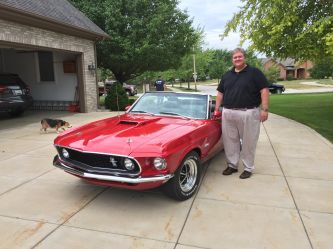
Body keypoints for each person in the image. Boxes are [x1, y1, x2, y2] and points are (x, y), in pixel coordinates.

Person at [214, 48, 269, 179]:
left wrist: (265, 109)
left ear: (244, 58)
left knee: (249, 141)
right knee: (229, 141)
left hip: (248, 112)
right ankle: (232, 165)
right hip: (228, 112)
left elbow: (264, 90)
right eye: (235, 57)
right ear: (232, 60)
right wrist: (217, 109)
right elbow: (220, 93)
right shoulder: (227, 75)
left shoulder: (254, 73)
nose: (237, 59)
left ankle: (248, 167)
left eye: (240, 56)